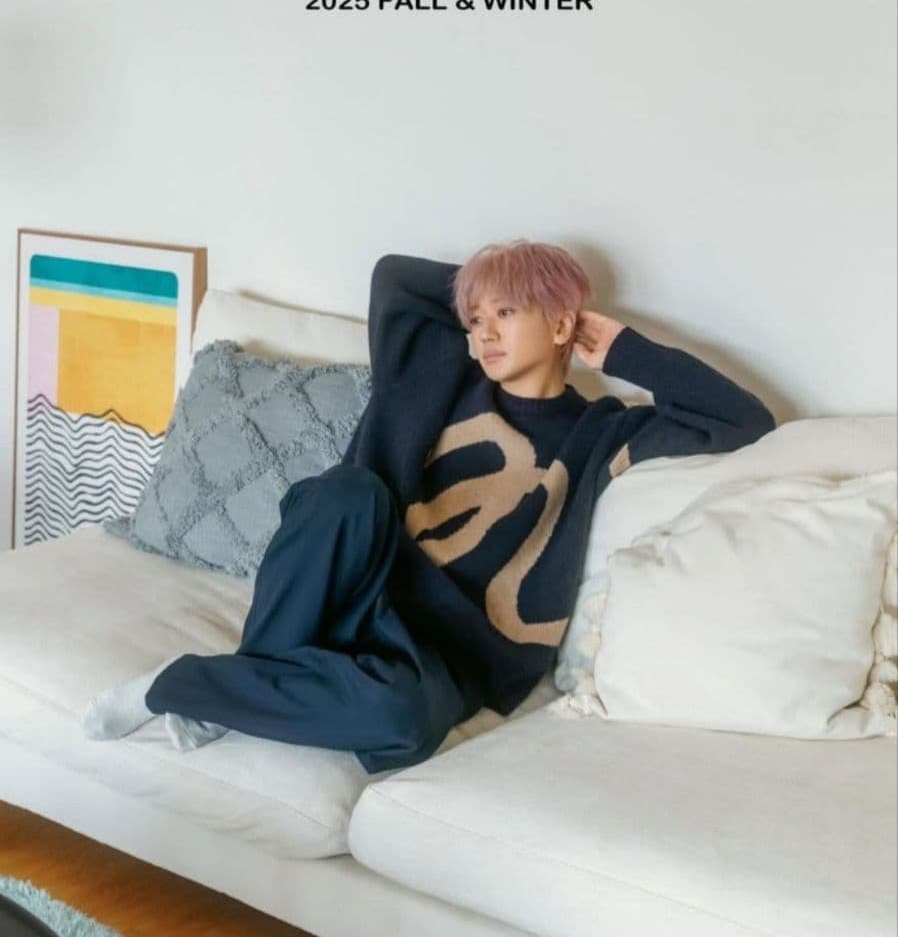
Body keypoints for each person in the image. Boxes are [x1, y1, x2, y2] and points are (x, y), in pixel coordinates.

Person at [81, 241, 776, 772]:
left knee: (404, 722)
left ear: (563, 323)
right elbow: (396, 276)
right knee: (344, 493)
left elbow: (743, 419)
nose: (486, 332)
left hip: (441, 653)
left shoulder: (602, 435)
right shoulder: (437, 372)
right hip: (359, 580)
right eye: (477, 317)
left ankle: (189, 687)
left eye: (507, 313)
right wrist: (494, 285)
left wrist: (621, 348)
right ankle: (243, 690)